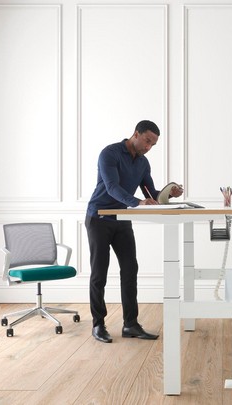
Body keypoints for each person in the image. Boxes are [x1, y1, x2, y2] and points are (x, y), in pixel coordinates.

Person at [85, 120, 183, 343]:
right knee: (99, 273)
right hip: (99, 217)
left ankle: (131, 324)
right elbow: (112, 187)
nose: (149, 147)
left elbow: (152, 193)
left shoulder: (143, 163)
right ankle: (98, 324)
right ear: (135, 134)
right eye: (147, 141)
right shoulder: (109, 154)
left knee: (130, 270)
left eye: (153, 144)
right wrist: (137, 202)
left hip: (123, 218)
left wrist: (170, 194)